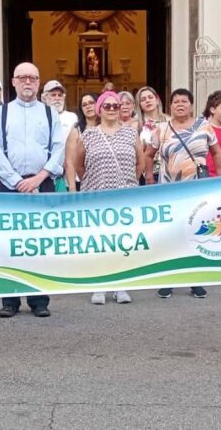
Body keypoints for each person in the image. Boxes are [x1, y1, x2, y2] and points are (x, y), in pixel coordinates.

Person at [0, 62, 66, 318]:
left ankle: (39, 299)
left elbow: (58, 148)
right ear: (13, 82)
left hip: (41, 184)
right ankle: (10, 301)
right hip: (12, 187)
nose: (27, 82)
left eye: (32, 78)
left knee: (39, 244)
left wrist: (40, 177)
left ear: (39, 82)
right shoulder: (1, 113)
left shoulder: (49, 113)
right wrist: (16, 180)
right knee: (7, 243)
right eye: (22, 77)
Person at [146, 88, 221, 299]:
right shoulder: (161, 129)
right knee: (170, 234)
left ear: (191, 105)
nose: (180, 104)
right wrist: (150, 178)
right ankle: (168, 279)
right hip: (169, 189)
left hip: (197, 189)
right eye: (176, 101)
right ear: (170, 106)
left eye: (184, 101)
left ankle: (195, 279)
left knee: (196, 232)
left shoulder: (204, 127)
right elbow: (149, 154)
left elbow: (217, 153)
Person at [68, 90, 144, 305]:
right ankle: (99, 284)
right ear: (99, 110)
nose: (111, 109)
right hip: (96, 195)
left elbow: (139, 163)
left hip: (124, 195)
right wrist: (93, 181)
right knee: (99, 241)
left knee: (122, 241)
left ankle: (121, 285)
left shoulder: (131, 133)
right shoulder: (88, 134)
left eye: (115, 106)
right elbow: (79, 164)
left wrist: (128, 182)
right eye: (107, 106)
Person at [65, 93, 99, 191]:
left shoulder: (106, 128)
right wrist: (72, 189)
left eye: (91, 103)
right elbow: (69, 162)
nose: (88, 106)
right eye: (84, 105)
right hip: (81, 183)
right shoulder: (77, 130)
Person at [135, 85, 168, 183]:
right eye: (143, 99)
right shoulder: (135, 124)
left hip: (167, 172)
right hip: (144, 174)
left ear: (157, 100)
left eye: (150, 97)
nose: (147, 101)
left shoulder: (169, 121)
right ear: (139, 104)